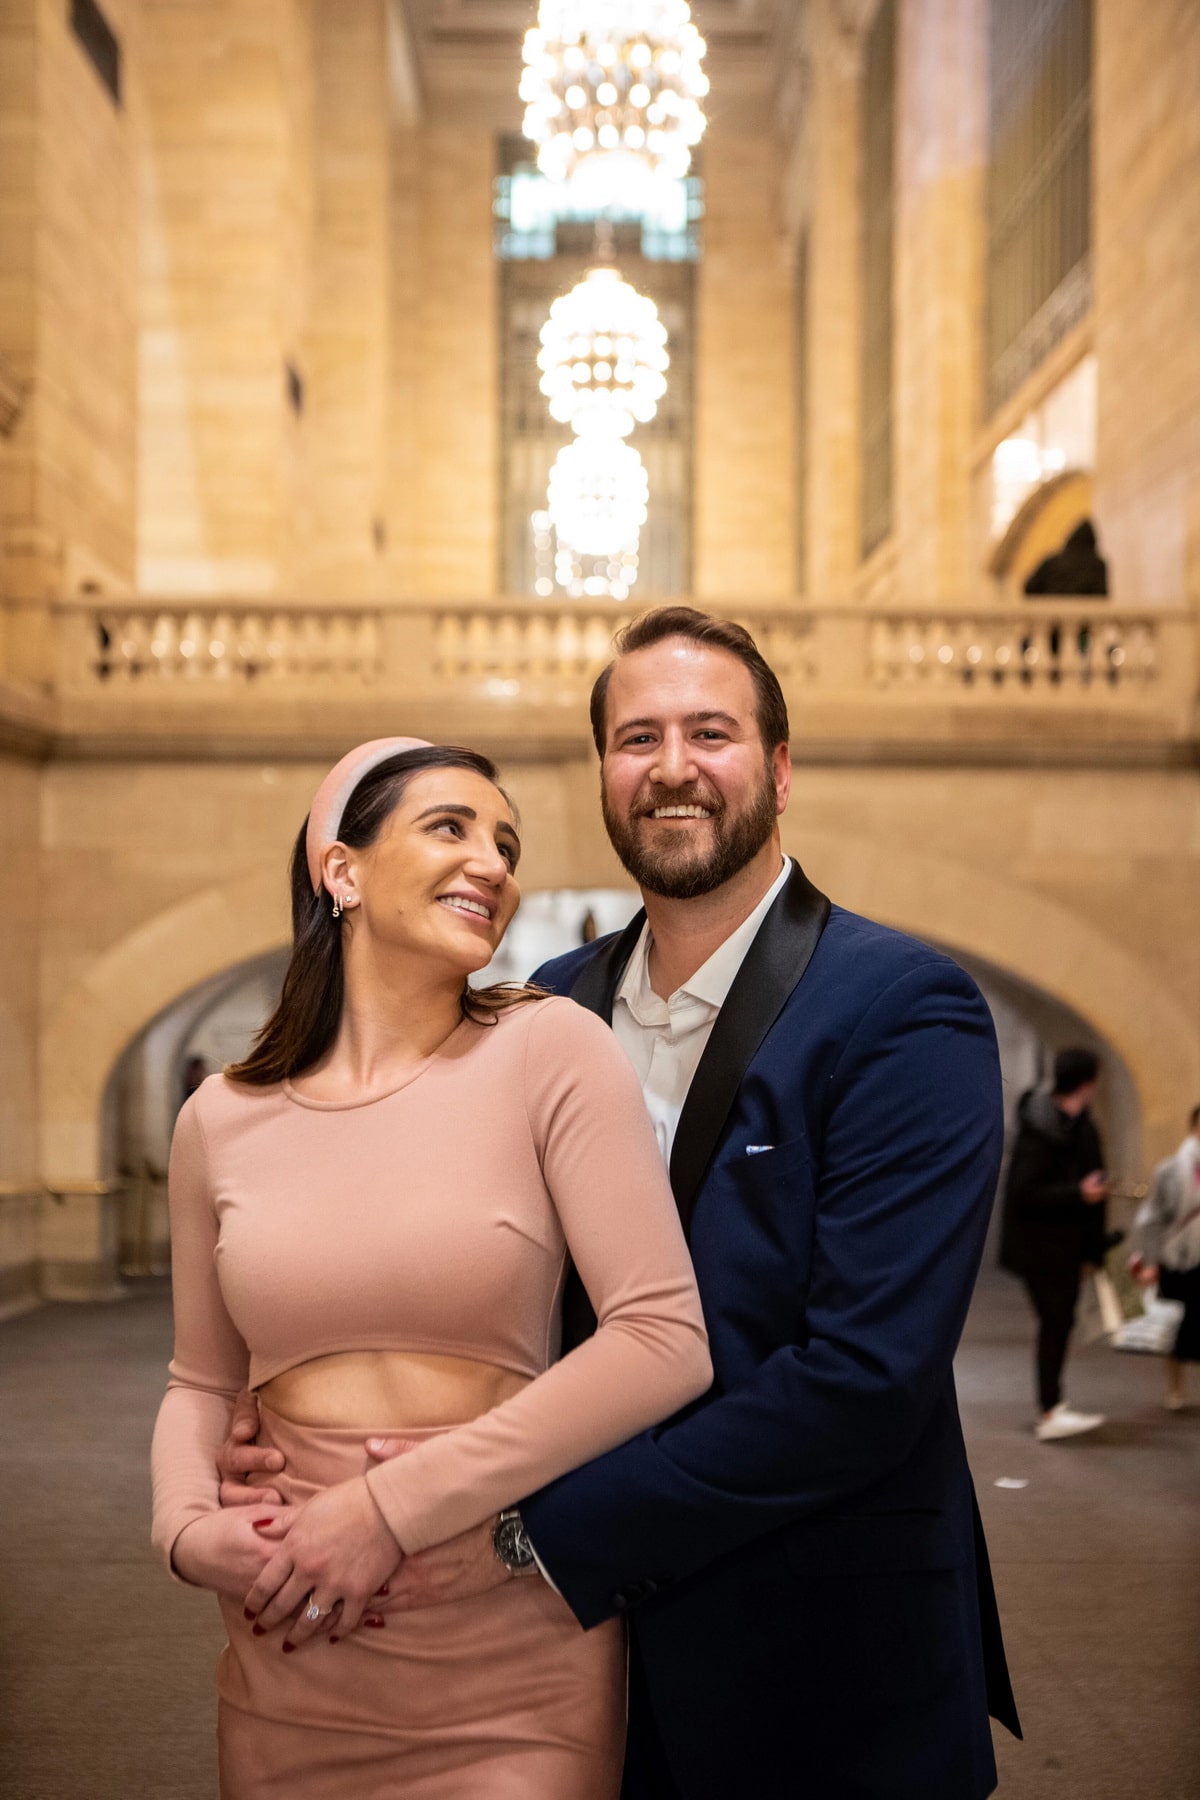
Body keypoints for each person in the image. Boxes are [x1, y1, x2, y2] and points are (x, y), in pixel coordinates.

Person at [223, 608, 1020, 1800]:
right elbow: (466, 1270)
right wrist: (295, 1406)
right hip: (561, 1669)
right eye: (636, 738)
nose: (673, 767)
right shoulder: (542, 1005)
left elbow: (862, 1379)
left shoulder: (903, 1009)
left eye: (712, 733)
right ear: (603, 772)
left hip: (814, 1660)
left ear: (780, 770)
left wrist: (532, 1533)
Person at [150, 736, 712, 1798]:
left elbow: (663, 1341)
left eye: (506, 842)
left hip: (500, 1618)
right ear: (341, 868)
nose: (495, 864)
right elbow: (202, 1381)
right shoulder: (218, 1118)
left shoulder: (552, 1050)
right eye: (450, 828)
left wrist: (387, 1509)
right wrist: (186, 1532)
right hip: (292, 1622)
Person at [999, 1047, 1111, 1439]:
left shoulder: (1080, 1126)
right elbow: (1023, 1193)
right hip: (1041, 1248)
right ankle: (1049, 1410)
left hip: (1066, 1245)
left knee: (1059, 1323)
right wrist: (1077, 1193)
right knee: (1056, 1322)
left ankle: (1052, 1406)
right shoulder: (1041, 1132)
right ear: (1086, 1083)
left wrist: (1096, 1247)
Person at [1129, 1104, 1200, 1410]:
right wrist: (1150, 1260)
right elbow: (1152, 1218)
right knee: (1176, 1323)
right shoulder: (1171, 1169)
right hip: (1178, 1255)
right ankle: (1176, 1387)